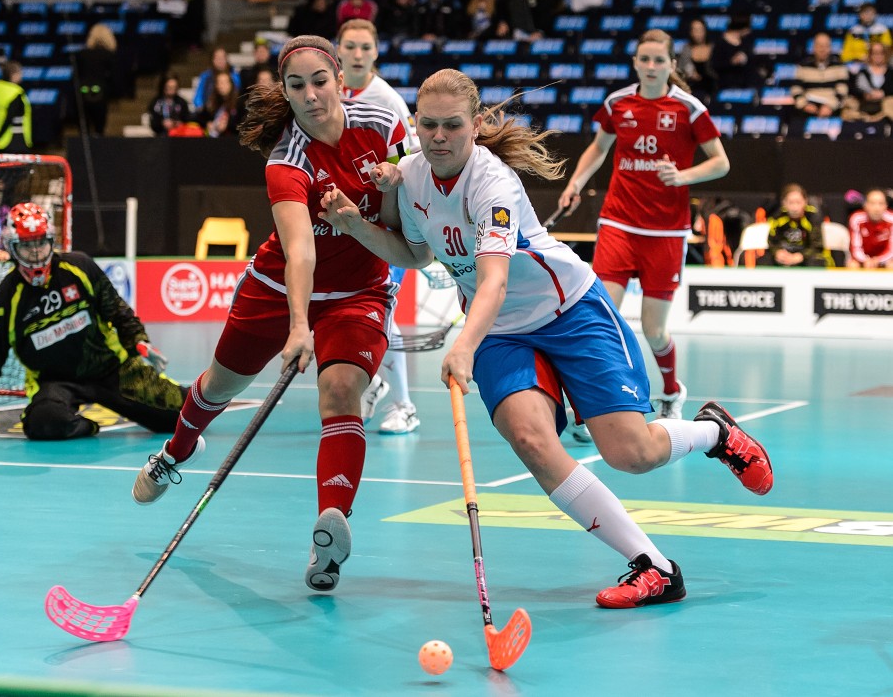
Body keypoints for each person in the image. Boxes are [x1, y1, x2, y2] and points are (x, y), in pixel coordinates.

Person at [320, 67, 773, 609]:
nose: (438, 136)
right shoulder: (413, 175)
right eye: (428, 124)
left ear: (476, 125)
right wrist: (356, 225)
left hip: (568, 311)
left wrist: (463, 345)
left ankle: (713, 433)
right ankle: (654, 566)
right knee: (532, 441)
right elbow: (415, 254)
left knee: (631, 453)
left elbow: (494, 279)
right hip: (501, 333)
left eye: (452, 125)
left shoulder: (493, 183)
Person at [129, 35, 409, 595]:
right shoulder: (287, 160)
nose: (310, 95)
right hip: (278, 289)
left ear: (340, 81)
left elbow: (414, 199)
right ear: (284, 91)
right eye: (296, 86)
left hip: (358, 291)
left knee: (341, 391)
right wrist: (300, 324)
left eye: (320, 81)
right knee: (218, 386)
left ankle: (329, 532)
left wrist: (396, 185)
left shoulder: (383, 124)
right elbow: (300, 248)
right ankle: (176, 451)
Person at [558, 29, 730, 422]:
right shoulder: (617, 103)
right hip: (618, 223)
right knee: (602, 318)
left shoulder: (689, 108)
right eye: (645, 59)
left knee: (654, 330)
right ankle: (595, 403)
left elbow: (721, 162)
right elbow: (598, 148)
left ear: (672, 64)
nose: (651, 66)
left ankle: (670, 391)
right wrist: (575, 184)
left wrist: (683, 176)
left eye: (659, 60)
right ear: (635, 63)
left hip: (666, 232)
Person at [0, 202, 186, 442]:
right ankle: (88, 427)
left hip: (111, 368)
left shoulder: (80, 266)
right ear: (12, 248)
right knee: (43, 422)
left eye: (41, 243)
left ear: (51, 242)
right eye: (27, 246)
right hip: (55, 382)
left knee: (182, 416)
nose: (36, 253)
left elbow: (117, 310)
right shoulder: (5, 298)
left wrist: (139, 341)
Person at [336, 18, 422, 434]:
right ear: (338, 50)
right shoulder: (330, 94)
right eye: (350, 46)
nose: (357, 54)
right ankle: (374, 383)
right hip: (348, 224)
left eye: (365, 47)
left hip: (385, 225)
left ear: (375, 52)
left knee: (383, 312)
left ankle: (405, 404)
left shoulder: (387, 100)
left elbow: (410, 162)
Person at [757, 184, 831, 268]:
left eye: (798, 202)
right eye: (791, 203)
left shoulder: (813, 217)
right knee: (763, 260)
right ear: (784, 203)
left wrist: (801, 256)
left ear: (805, 201)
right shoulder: (777, 217)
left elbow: (817, 246)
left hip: (804, 256)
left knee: (818, 261)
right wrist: (777, 252)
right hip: (784, 256)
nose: (795, 207)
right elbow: (771, 242)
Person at [790, 32, 849, 120]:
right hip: (809, 105)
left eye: (826, 46)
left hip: (832, 105)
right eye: (820, 46)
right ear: (814, 47)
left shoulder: (839, 65)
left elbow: (843, 90)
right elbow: (796, 89)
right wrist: (804, 105)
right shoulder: (803, 65)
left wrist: (830, 106)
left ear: (830, 48)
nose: (823, 49)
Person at [74, 23, 118, 137]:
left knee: (83, 130)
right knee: (99, 129)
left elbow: (75, 75)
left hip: (82, 93)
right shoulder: (109, 55)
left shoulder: (81, 54)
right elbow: (114, 77)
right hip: (101, 94)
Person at [0, 61, 33, 153]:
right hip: (14, 139)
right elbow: (9, 116)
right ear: (13, 75)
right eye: (20, 73)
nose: (21, 76)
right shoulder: (16, 92)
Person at [846, 42, 893, 122]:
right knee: (849, 104)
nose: (878, 56)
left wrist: (883, 93)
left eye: (881, 53)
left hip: (885, 103)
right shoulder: (862, 72)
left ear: (885, 54)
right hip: (864, 102)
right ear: (870, 55)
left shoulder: (891, 72)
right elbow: (853, 88)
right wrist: (865, 94)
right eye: (875, 53)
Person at [846, 188, 893, 269]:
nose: (877, 208)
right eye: (872, 203)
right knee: (852, 265)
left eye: (881, 203)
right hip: (862, 260)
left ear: (886, 206)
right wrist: (865, 260)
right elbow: (855, 248)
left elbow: (891, 250)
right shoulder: (856, 219)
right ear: (865, 205)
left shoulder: (891, 219)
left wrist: (878, 260)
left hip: (884, 260)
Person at [676, 18, 717, 105]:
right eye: (694, 30)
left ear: (705, 31)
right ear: (690, 32)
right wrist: (689, 74)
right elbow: (680, 71)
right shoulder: (686, 49)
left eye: (700, 30)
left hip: (713, 87)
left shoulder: (714, 48)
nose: (698, 33)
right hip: (692, 88)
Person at [192, 47, 240, 115]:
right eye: (217, 58)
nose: (220, 61)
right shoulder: (206, 76)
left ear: (227, 59)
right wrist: (203, 110)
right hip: (210, 110)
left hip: (230, 109)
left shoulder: (234, 76)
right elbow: (198, 97)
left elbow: (237, 95)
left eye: (222, 58)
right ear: (212, 60)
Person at [196, 70, 239, 137]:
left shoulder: (239, 103)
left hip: (232, 139)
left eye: (224, 82)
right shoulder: (212, 101)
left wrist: (227, 126)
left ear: (231, 84)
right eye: (219, 82)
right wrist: (207, 124)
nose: (221, 85)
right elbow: (199, 118)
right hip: (213, 139)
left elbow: (244, 124)